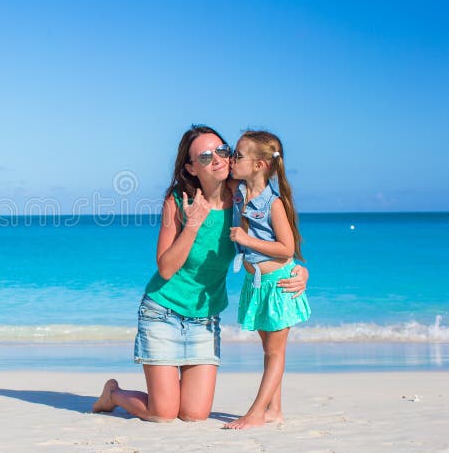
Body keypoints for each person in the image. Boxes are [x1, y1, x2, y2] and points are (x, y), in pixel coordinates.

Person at [92, 125, 308, 422]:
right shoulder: (177, 202)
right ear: (191, 168)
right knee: (163, 414)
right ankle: (113, 394)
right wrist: (192, 224)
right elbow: (165, 268)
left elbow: (273, 238)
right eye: (205, 156)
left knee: (194, 415)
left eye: (222, 150)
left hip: (205, 320)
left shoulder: (241, 196)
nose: (218, 159)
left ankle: (168, 390)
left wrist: (299, 270)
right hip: (162, 313)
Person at [223, 130, 311, 429]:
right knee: (269, 350)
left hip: (278, 285)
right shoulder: (238, 192)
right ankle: (275, 410)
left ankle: (257, 412)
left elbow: (287, 248)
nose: (233, 159)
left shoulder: (273, 203)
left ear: (259, 164)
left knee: (275, 353)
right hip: (255, 284)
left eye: (238, 155)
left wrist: (248, 240)